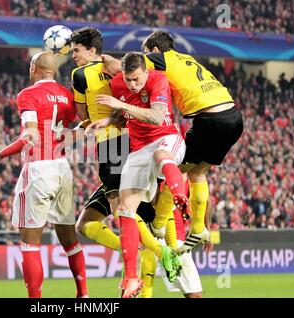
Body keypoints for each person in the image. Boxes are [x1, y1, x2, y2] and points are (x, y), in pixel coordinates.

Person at [103, 31, 244, 253]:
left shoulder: (159, 60)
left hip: (209, 119)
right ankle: (199, 228)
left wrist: (98, 58)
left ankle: (159, 224)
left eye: (146, 53)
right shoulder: (187, 59)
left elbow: (121, 66)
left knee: (176, 169)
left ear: (155, 51)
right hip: (233, 116)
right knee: (198, 173)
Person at [70, 27, 178, 298]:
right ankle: (141, 249)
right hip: (129, 142)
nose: (73, 56)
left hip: (111, 145)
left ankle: (157, 251)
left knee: (125, 214)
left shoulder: (80, 75)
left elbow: (81, 112)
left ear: (91, 51)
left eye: (76, 51)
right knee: (85, 223)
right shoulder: (120, 73)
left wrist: (84, 124)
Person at [0, 51, 88, 298]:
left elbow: (30, 135)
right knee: (70, 240)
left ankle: (36, 302)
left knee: (30, 242)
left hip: (39, 168)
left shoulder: (28, 95)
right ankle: (83, 295)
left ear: (34, 68)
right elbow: (78, 128)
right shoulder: (66, 95)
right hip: (63, 168)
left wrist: (0, 153)